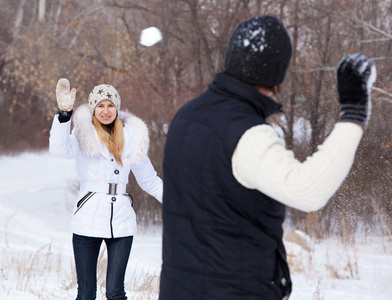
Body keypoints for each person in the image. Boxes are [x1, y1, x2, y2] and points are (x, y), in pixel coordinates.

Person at [159, 15, 376, 300]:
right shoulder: (247, 134)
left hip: (179, 289)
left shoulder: (187, 116)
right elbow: (308, 190)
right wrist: (353, 114)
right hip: (234, 291)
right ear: (276, 73)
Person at [49, 79, 163, 300]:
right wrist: (64, 117)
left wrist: (180, 202)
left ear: (117, 108)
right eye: (100, 105)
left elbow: (150, 180)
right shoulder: (82, 134)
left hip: (121, 221)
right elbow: (59, 149)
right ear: (93, 108)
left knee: (115, 293)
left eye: (110, 105)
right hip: (87, 218)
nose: (105, 110)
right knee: (86, 293)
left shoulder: (132, 138)